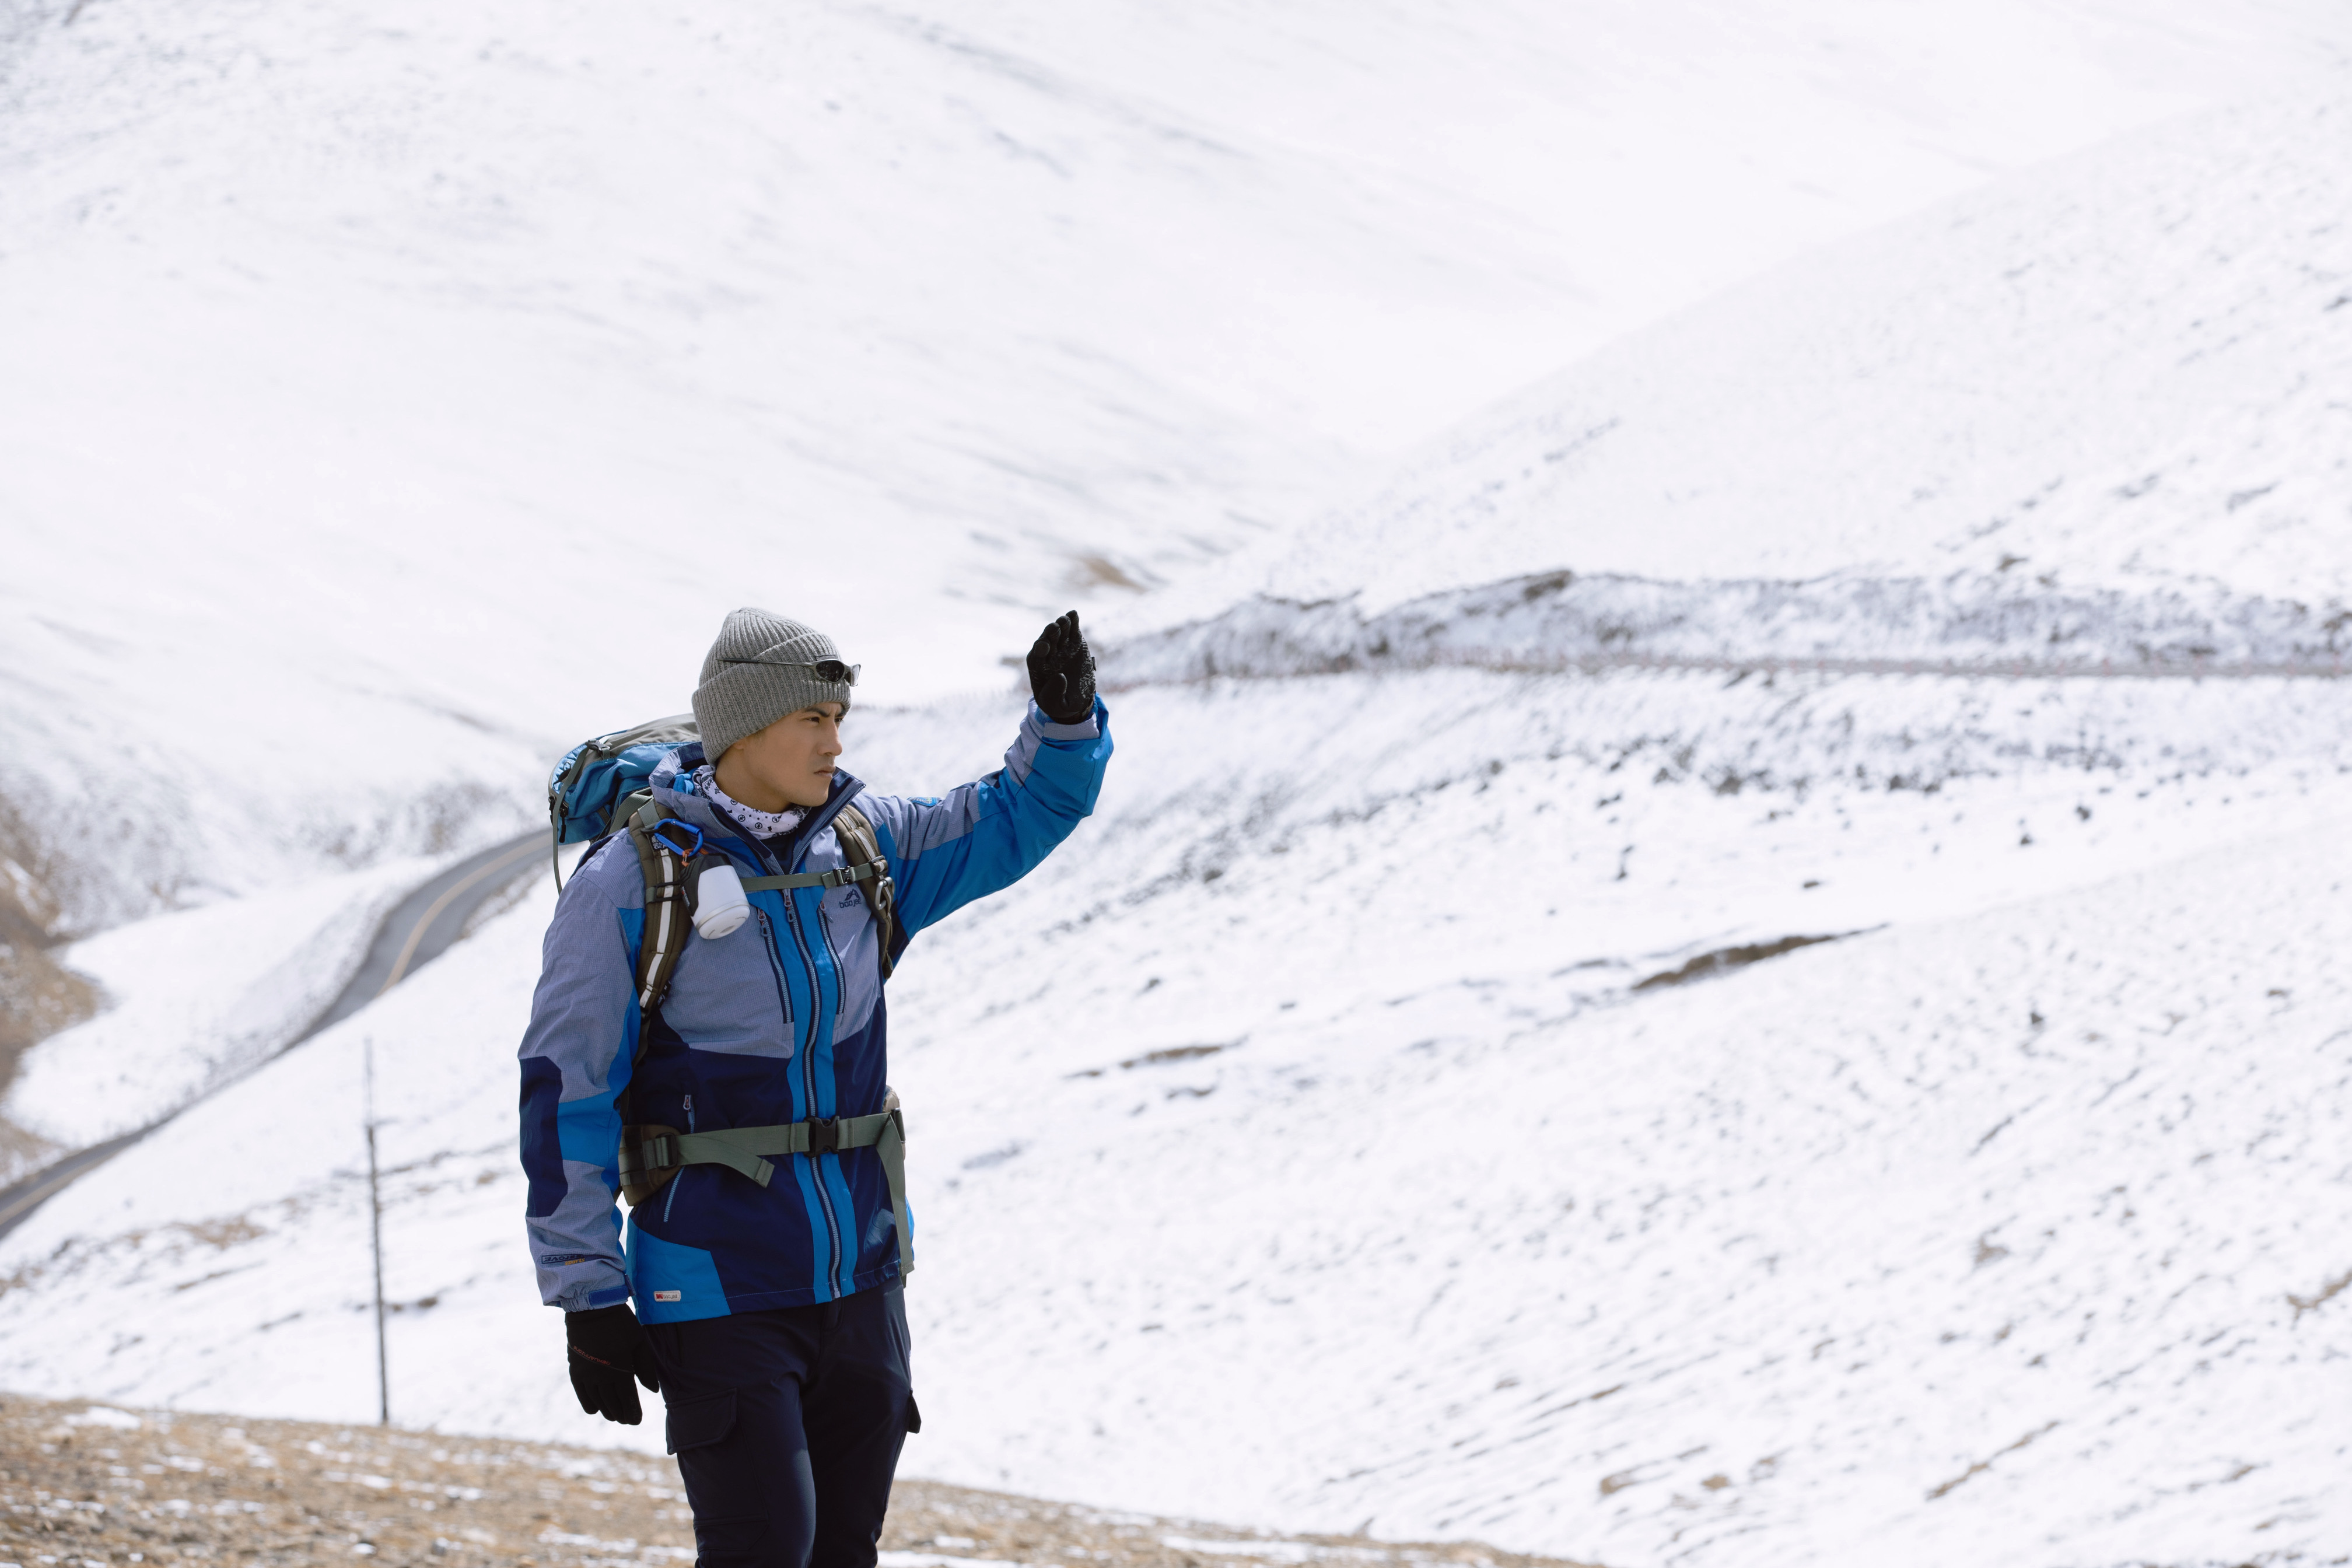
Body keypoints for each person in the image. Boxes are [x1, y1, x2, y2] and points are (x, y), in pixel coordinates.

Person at [518, 607, 1110, 1568]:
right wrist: (587, 1296)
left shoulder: (866, 849)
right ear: (745, 727)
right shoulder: (632, 884)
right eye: (815, 720)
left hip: (864, 1280)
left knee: (841, 1552)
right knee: (767, 1548)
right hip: (716, 1287)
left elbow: (1016, 816)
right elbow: (563, 1092)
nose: (837, 743)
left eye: (841, 718)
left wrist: (1066, 724)